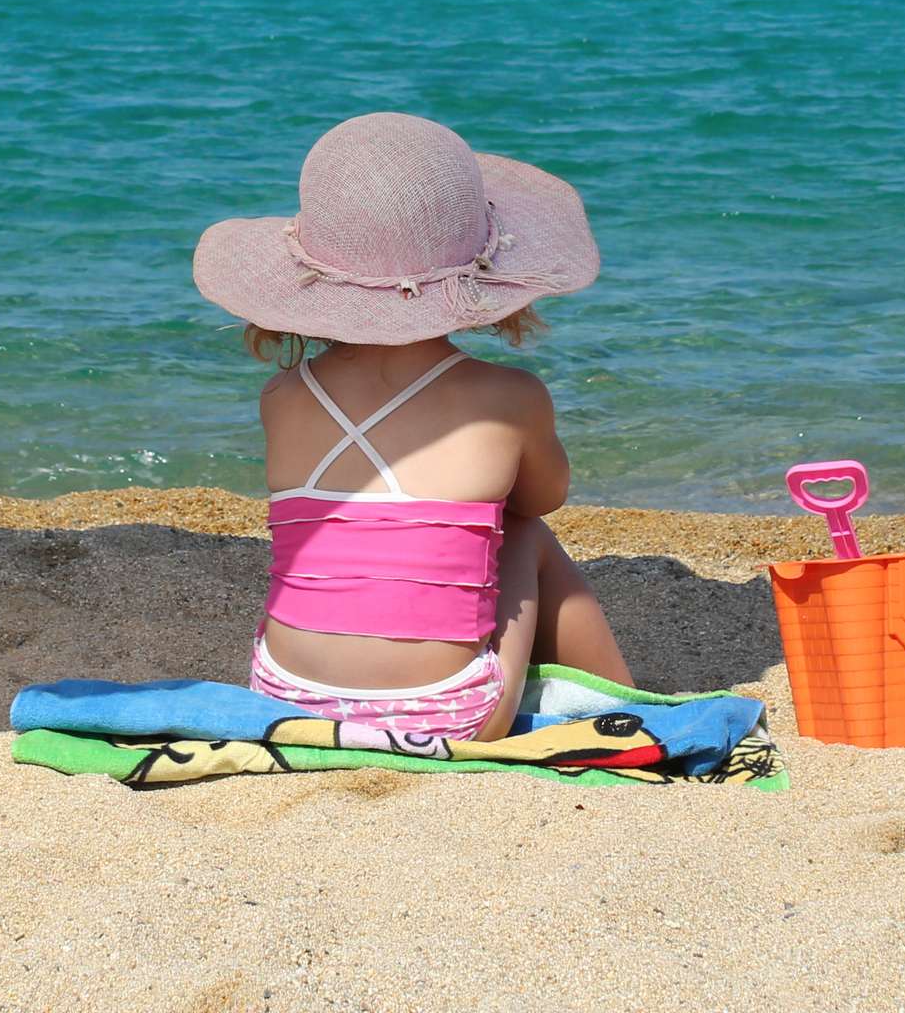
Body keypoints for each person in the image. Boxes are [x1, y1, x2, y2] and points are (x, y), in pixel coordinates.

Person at [193, 112, 633, 742]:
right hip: (449, 715)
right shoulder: (510, 396)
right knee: (525, 535)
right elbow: (543, 498)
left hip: (284, 699)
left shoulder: (282, 395)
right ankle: (631, 706)